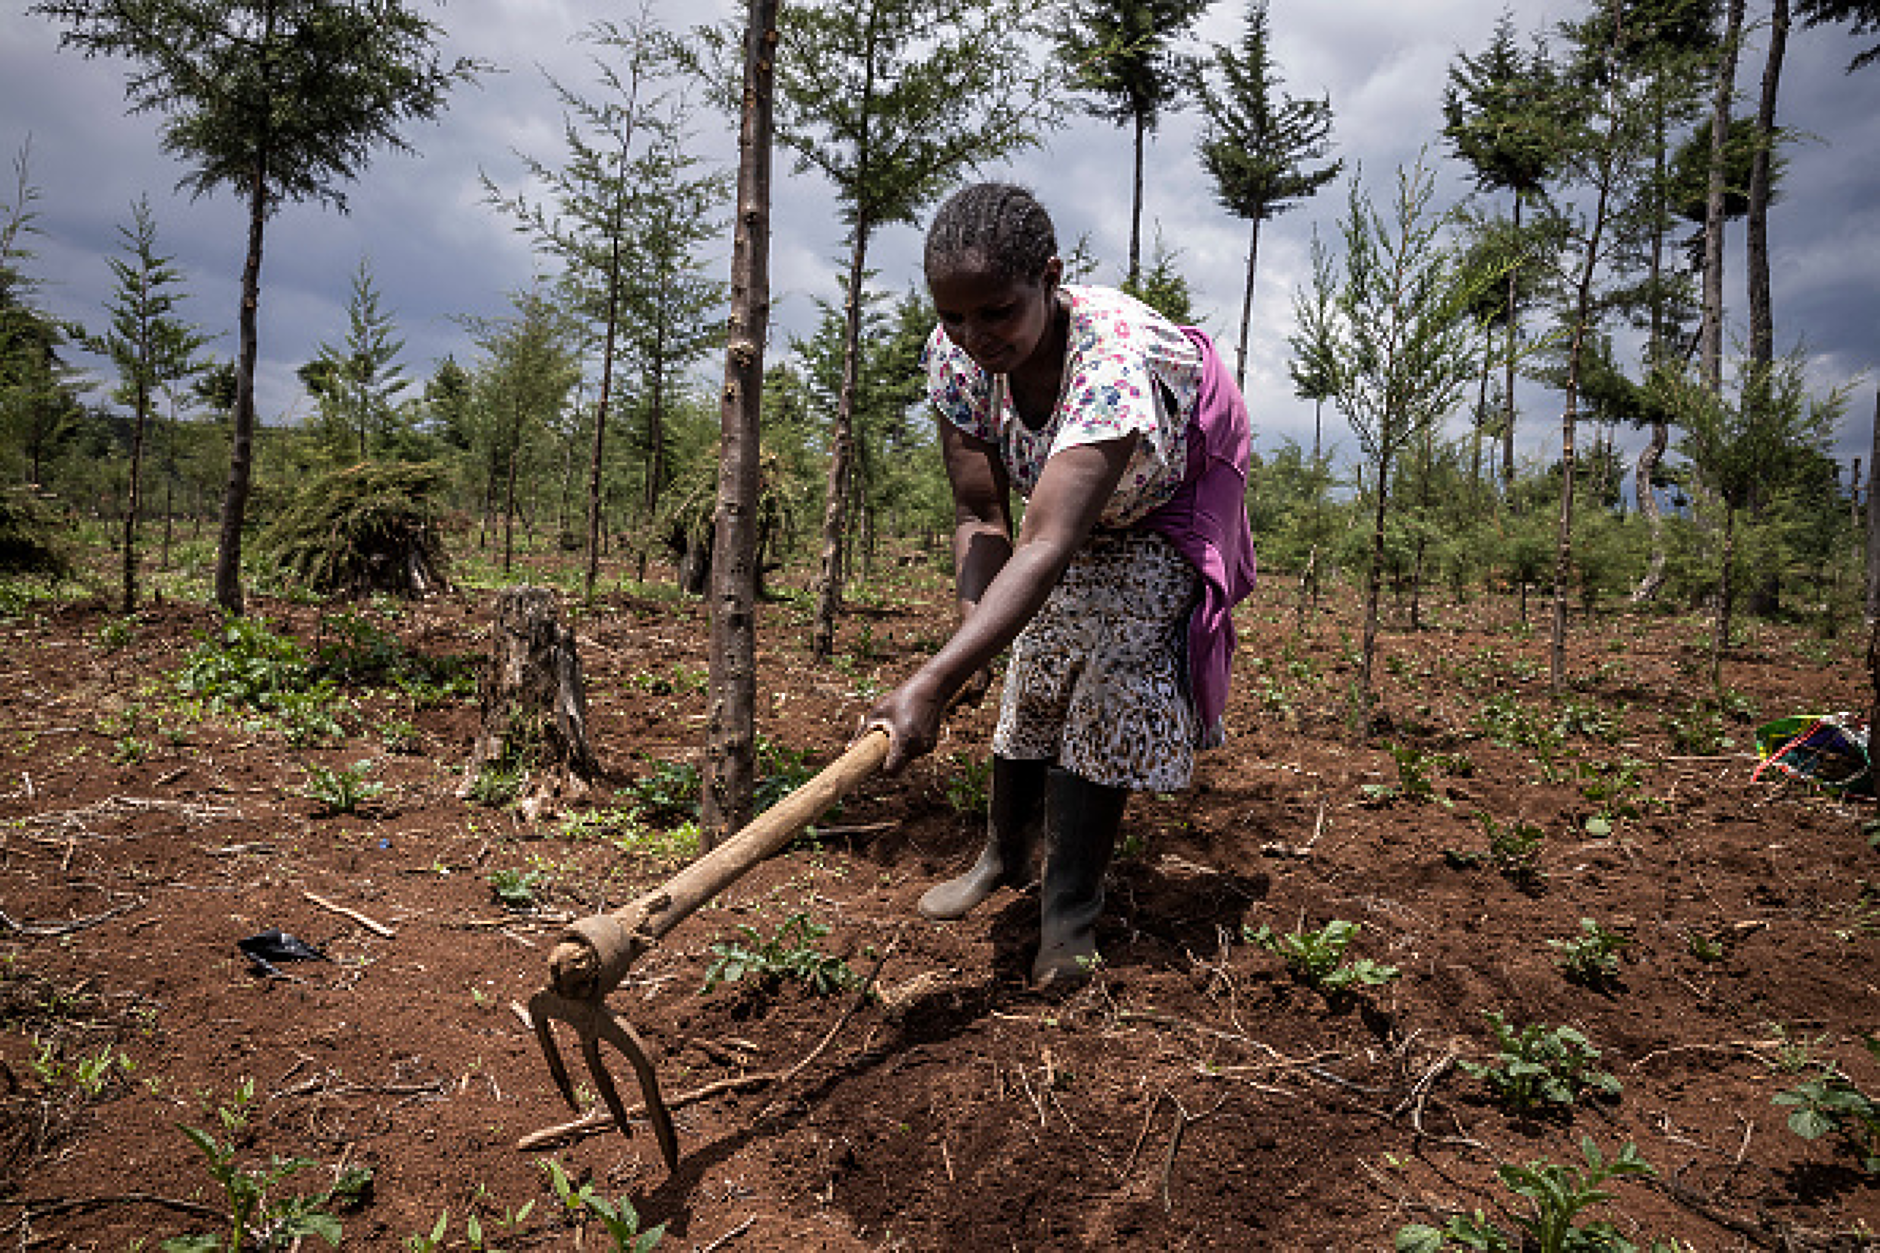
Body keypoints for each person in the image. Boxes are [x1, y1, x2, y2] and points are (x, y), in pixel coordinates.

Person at [864, 182, 1257, 992]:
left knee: (1111, 676)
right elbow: (981, 514)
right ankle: (1005, 855)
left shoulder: (1111, 358)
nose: (975, 337)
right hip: (1064, 510)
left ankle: (1069, 915)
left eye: (998, 312)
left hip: (1161, 503)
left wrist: (933, 680)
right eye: (954, 317)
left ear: (1050, 276)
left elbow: (1047, 543)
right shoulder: (959, 358)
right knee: (1036, 664)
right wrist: (971, 642)